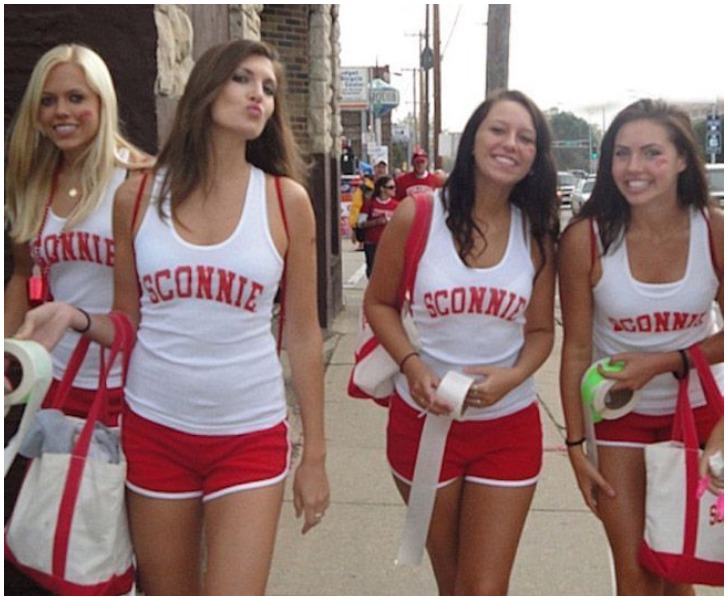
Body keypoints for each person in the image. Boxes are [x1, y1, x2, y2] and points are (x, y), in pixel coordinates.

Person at [15, 39, 330, 595]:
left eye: (268, 88)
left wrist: (317, 457)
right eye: (242, 79)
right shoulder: (136, 199)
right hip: (154, 431)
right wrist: (73, 315)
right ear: (205, 89)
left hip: (250, 433)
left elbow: (303, 335)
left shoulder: (286, 202)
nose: (258, 94)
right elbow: (127, 322)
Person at [364, 90, 559, 595]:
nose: (510, 144)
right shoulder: (418, 215)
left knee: (485, 587)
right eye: (498, 130)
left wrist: (513, 377)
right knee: (453, 583)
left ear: (535, 157)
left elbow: (541, 332)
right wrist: (412, 366)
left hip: (508, 426)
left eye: (526, 138)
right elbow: (379, 303)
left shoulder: (537, 233)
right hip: (423, 423)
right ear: (472, 140)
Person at [558, 98, 724, 595]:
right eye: (622, 153)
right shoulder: (586, 238)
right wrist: (575, 446)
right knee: (635, 572)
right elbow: (575, 349)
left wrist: (663, 362)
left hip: (699, 413)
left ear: (681, 160)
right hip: (618, 416)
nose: (634, 168)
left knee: (677, 569)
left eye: (652, 153)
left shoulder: (714, 230)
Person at [4, 43, 151, 594]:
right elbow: (21, 276)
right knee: (69, 538)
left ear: (102, 102)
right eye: (48, 101)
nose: (61, 112)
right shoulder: (33, 182)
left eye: (75, 98)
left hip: (135, 387)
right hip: (58, 387)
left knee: (142, 541)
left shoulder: (140, 178)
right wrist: (7, 356)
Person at [357, 175, 399, 278]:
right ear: (382, 189)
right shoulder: (370, 203)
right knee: (373, 270)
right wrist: (376, 222)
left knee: (388, 271)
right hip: (372, 243)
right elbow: (360, 223)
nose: (394, 190)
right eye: (390, 187)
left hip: (389, 244)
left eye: (394, 187)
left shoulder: (396, 205)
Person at [349, 157, 388, 243]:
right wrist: (354, 228)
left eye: (383, 167)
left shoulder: (391, 186)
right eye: (378, 167)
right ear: (374, 168)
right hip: (369, 231)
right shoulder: (364, 188)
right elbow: (356, 207)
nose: (381, 170)